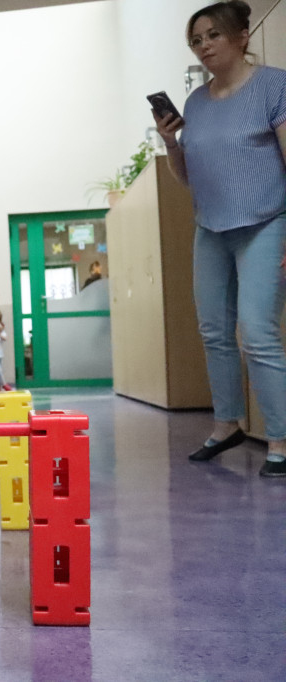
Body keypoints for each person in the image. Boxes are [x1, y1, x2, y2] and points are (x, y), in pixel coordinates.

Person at [152, 0, 286, 477]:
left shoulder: (274, 86)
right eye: (196, 40)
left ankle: (280, 439)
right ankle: (227, 423)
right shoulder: (195, 104)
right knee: (214, 332)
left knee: (258, 332)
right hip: (210, 227)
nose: (203, 46)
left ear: (242, 37)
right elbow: (188, 176)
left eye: (212, 35)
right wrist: (171, 141)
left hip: (266, 223)